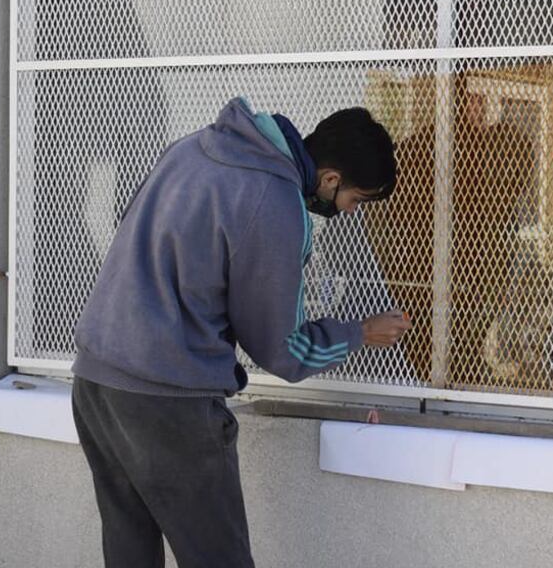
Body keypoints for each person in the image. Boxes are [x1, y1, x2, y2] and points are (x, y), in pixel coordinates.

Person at [70, 96, 412, 568]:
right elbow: (283, 351)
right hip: (167, 400)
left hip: (95, 382)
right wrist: (359, 334)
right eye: (355, 201)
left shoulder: (192, 149)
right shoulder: (274, 202)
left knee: (129, 551)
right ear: (330, 179)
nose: (351, 213)